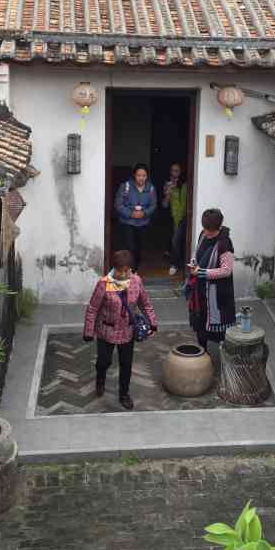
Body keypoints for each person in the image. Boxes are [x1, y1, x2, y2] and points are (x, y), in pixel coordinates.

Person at [83, 250, 157, 410]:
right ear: (114, 268)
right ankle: (100, 379)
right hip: (106, 332)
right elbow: (93, 308)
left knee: (126, 364)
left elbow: (145, 303)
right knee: (103, 361)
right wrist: (89, 331)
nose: (124, 274)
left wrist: (153, 322)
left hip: (127, 331)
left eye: (127, 270)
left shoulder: (136, 281)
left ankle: (124, 393)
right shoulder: (104, 284)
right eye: (120, 270)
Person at [186, 208, 236, 351]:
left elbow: (226, 271)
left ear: (219, 227)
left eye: (211, 231)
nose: (207, 233)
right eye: (206, 229)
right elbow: (197, 252)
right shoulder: (203, 234)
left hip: (217, 293)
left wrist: (202, 272)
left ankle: (224, 354)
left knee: (218, 327)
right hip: (200, 290)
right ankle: (202, 353)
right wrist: (194, 263)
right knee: (200, 322)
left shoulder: (224, 244)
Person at [114, 163, 157, 273]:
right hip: (127, 222)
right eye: (139, 175)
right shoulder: (126, 186)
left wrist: (144, 213)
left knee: (139, 249)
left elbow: (153, 205)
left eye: (144, 175)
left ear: (147, 176)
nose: (141, 178)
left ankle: (134, 269)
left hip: (143, 223)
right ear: (134, 175)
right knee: (129, 248)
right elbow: (118, 204)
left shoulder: (151, 188)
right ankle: (127, 271)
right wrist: (130, 214)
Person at [162, 162, 187, 277]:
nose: (174, 173)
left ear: (181, 172)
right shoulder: (168, 185)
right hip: (173, 217)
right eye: (173, 171)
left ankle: (177, 263)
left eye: (177, 171)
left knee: (179, 240)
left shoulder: (186, 185)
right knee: (175, 240)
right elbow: (165, 205)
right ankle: (174, 264)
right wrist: (168, 193)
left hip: (186, 216)